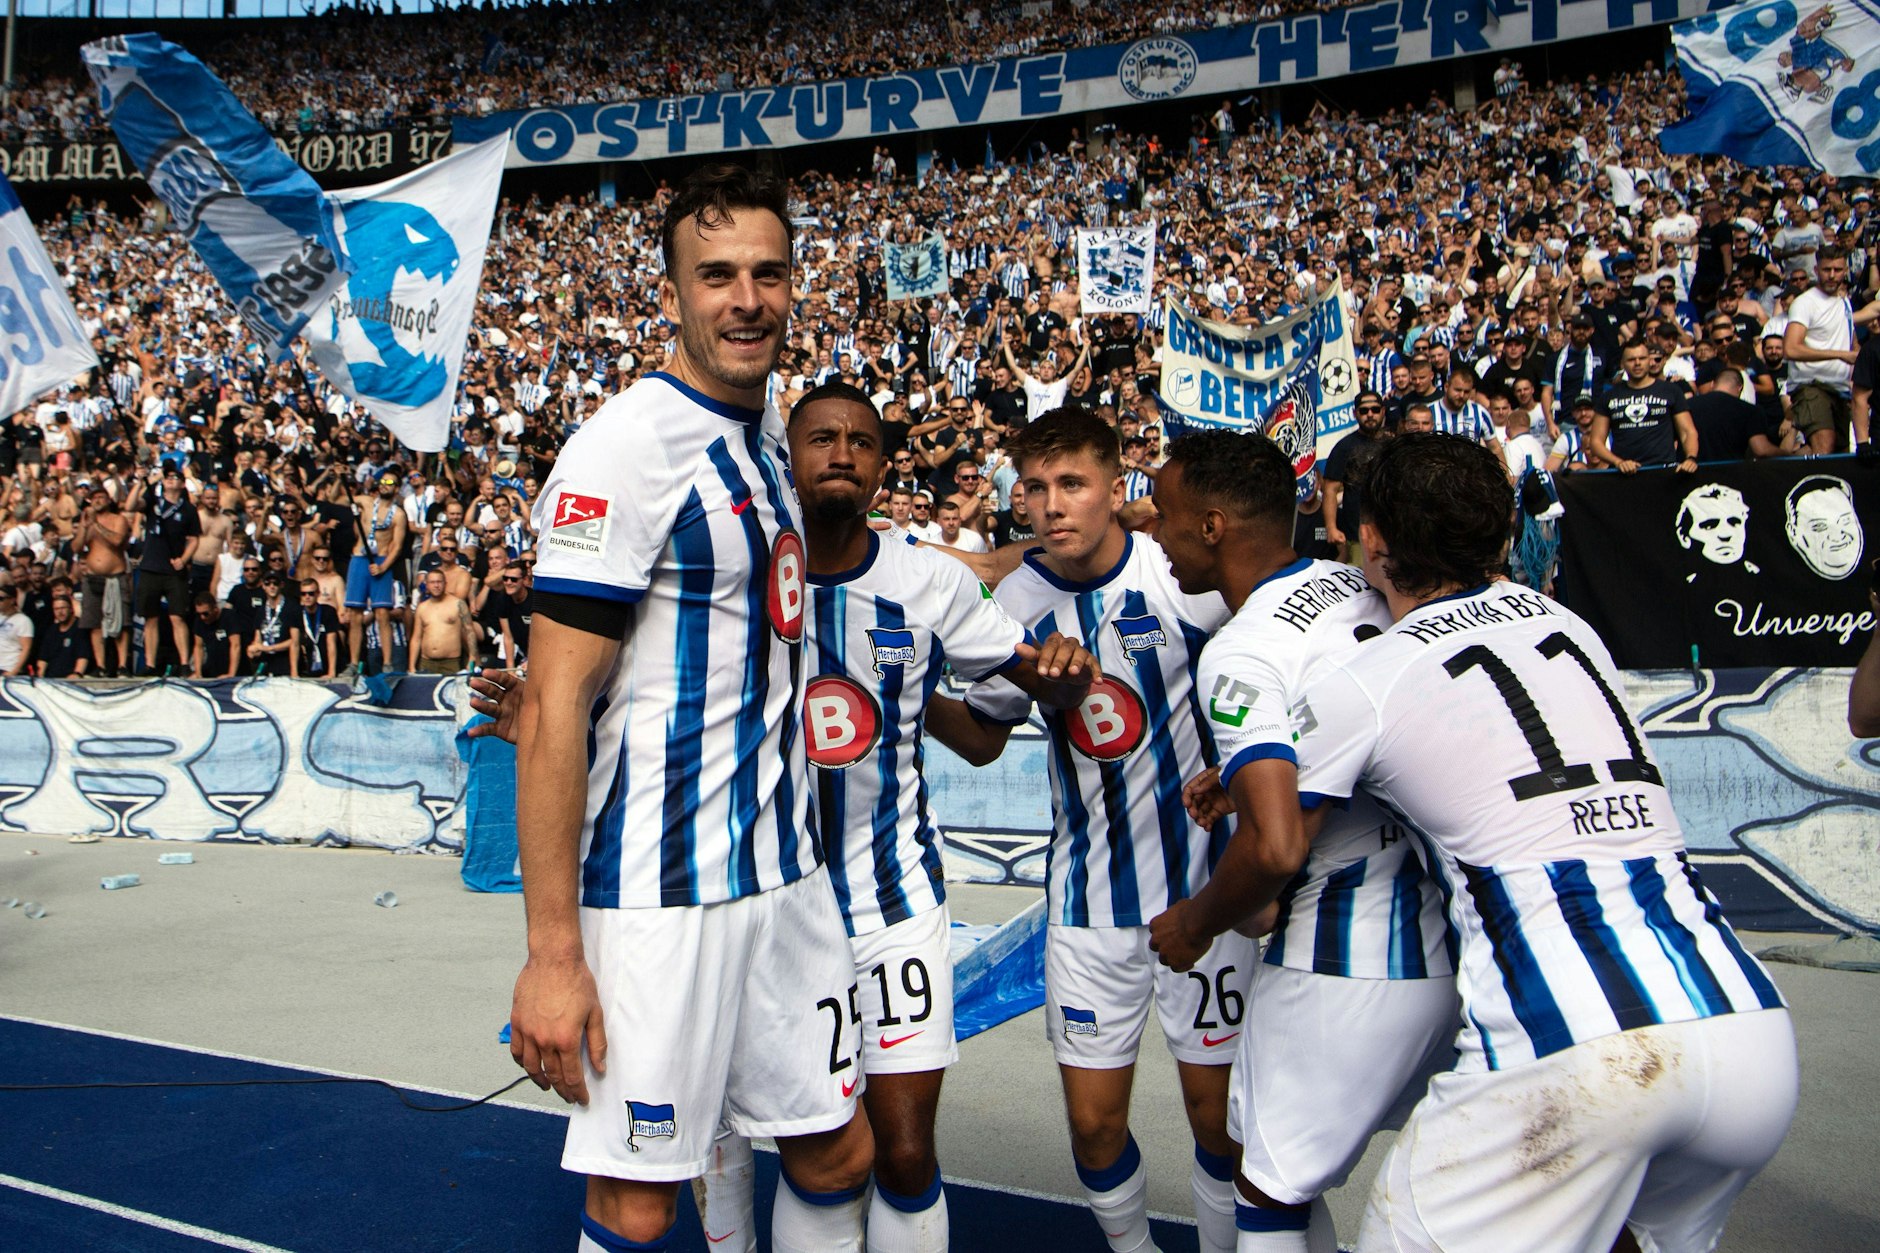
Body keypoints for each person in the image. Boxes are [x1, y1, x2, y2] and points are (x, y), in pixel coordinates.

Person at [1286, 433, 1797, 1253]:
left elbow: (1276, 838)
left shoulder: (1367, 678)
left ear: (1372, 540)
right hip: (1747, 1029)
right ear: (1495, 535)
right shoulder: (1572, 626)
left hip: (1573, 1045)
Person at [508, 164, 873, 1253]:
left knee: (834, 1147)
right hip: (660, 897)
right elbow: (551, 701)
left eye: (765, 272)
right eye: (715, 275)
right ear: (672, 292)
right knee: (636, 1200)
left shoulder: (764, 444)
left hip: (783, 878)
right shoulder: (622, 449)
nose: (744, 297)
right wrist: (552, 954)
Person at [925, 406, 1250, 1253]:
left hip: (1205, 898)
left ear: (1117, 487)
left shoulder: (1185, 578)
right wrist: (909, 699)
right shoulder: (1013, 604)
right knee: (1094, 1130)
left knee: (1221, 1125)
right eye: (1034, 488)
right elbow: (985, 739)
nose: (1052, 505)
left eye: (1072, 483)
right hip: (1086, 901)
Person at [1783, 246, 1867, 454]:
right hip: (1811, 385)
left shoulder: (1844, 302)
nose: (1832, 275)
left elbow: (1850, 340)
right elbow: (1791, 349)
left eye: (1837, 270)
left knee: (1841, 453)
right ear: (1816, 270)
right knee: (1825, 444)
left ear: (1845, 270)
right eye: (1826, 269)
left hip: (1840, 389)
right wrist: (1839, 354)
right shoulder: (1805, 303)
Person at [1588, 339, 1700, 474]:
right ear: (1622, 364)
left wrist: (1691, 458)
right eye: (1631, 359)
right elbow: (1595, 442)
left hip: (1663, 471)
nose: (1637, 363)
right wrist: (1618, 462)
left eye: (1642, 358)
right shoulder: (1609, 396)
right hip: (1624, 474)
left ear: (1649, 360)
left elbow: (1688, 432)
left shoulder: (1671, 391)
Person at [132, 464, 201, 675]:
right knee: (150, 617)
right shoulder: (154, 501)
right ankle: (151, 664)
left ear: (182, 483)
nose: (171, 480)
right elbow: (131, 505)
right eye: (168, 477)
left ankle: (183, 663)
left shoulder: (188, 509)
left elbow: (194, 539)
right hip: (151, 566)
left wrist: (184, 559)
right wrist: (140, 481)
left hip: (173, 569)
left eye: (175, 477)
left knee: (177, 616)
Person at [347, 471, 408, 673]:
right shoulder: (365, 502)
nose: (384, 485)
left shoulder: (398, 514)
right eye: (382, 481)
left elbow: (397, 546)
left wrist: (383, 566)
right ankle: (354, 664)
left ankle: (388, 663)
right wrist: (339, 477)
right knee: (355, 614)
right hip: (359, 558)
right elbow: (338, 498)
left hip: (381, 561)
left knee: (382, 613)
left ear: (396, 488)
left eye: (390, 482)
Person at [1321, 389, 1390, 564]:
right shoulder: (1344, 447)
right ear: (1355, 414)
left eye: (1375, 409)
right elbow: (1330, 490)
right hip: (1357, 535)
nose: (1370, 415)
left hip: (1390, 532)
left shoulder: (1392, 445)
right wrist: (1331, 528)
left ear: (1383, 411)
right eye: (1364, 411)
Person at [74, 490, 131, 677]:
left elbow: (117, 540)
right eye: (94, 498)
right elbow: (76, 547)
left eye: (101, 497)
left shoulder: (118, 519)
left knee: (120, 622)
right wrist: (84, 527)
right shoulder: (88, 523)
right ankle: (100, 666)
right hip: (92, 578)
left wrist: (96, 525)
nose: (97, 501)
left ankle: (122, 665)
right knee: (94, 622)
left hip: (115, 576)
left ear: (108, 500)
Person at [409, 568, 475, 675]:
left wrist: (472, 657)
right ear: (427, 585)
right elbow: (416, 638)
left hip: (450, 662)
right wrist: (411, 666)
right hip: (426, 663)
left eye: (439, 582)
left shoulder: (458, 604)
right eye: (432, 582)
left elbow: (469, 631)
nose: (436, 585)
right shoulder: (422, 608)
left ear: (445, 584)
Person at [246, 571, 298, 677]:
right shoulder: (261, 610)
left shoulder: (291, 607)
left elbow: (295, 641)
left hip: (285, 666)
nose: (272, 586)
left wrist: (269, 648)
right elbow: (258, 639)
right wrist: (253, 649)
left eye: (275, 583)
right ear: (263, 586)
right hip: (266, 666)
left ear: (281, 585)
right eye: (268, 583)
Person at [36, 592, 90, 678]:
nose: (60, 612)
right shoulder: (51, 631)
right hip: (51, 679)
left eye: (63, 608)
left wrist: (77, 674)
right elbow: (43, 658)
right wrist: (40, 676)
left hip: (70, 679)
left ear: (71, 609)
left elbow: (83, 656)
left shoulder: (79, 628)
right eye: (56, 609)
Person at [295, 579, 341, 678]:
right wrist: (294, 673)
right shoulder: (297, 613)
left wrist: (331, 673)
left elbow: (331, 643)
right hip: (308, 666)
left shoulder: (328, 611)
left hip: (328, 665)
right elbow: (294, 644)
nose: (307, 597)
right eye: (303, 594)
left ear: (318, 594)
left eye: (311, 593)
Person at [190, 591, 239, 680]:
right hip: (212, 668)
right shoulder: (199, 621)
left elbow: (235, 645)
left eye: (206, 613)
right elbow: (198, 647)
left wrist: (231, 674)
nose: (202, 617)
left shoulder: (229, 616)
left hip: (232, 667)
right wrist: (198, 672)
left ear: (215, 608)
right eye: (199, 614)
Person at [0, 583, 31, 677]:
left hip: (8, 668)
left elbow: (26, 648)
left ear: (12, 600)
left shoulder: (23, 621)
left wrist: (14, 671)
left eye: (1, 599)